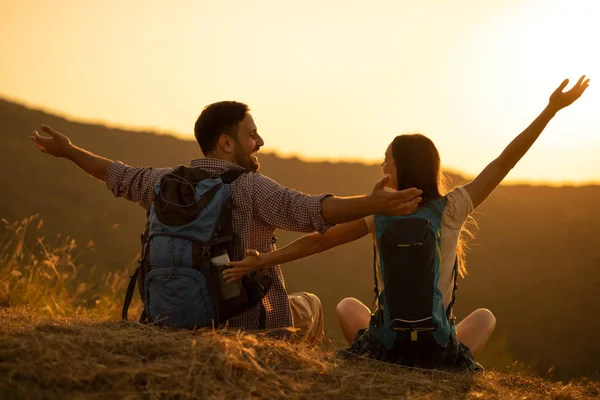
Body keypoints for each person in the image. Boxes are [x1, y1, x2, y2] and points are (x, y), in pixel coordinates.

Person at [223, 76, 590, 367]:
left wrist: (264, 261)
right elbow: (503, 162)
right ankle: (447, 360)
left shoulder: (378, 214)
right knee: (484, 317)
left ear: (401, 166)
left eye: (388, 160)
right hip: (440, 350)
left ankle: (389, 355)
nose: (382, 167)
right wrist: (550, 111)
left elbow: (319, 241)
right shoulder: (452, 208)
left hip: (387, 348)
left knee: (347, 306)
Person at [30, 101, 423, 343]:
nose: (261, 142)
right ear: (226, 142)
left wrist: (69, 151)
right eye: (252, 135)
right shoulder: (249, 187)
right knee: (313, 305)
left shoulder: (166, 182)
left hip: (170, 321)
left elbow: (115, 174)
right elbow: (312, 211)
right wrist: (373, 204)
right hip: (246, 330)